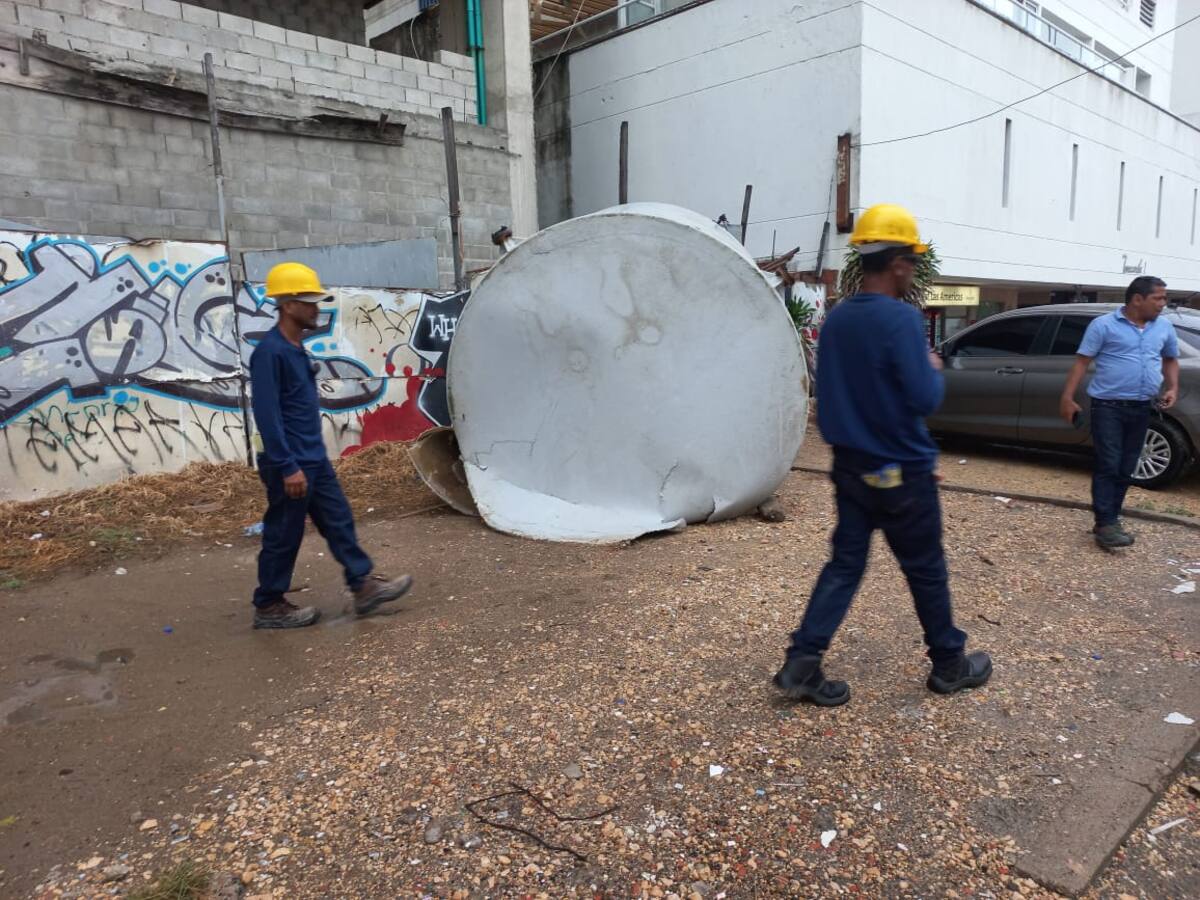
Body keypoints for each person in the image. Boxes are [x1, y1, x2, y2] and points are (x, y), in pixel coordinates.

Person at [773, 204, 991, 707]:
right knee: (926, 568)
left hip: (850, 466)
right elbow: (923, 399)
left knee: (845, 565)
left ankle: (803, 661)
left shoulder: (838, 320)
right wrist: (933, 367)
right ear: (896, 265)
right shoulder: (901, 321)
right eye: (911, 262)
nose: (912, 270)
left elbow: (826, 399)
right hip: (902, 474)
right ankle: (949, 664)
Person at [249, 262, 413, 629]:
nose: (316, 308)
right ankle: (269, 605)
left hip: (313, 459)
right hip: (290, 463)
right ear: (288, 305)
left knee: (338, 520)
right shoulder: (270, 353)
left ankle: (363, 586)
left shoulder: (295, 349)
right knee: (284, 534)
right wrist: (287, 465)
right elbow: (267, 415)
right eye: (308, 301)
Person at [1059, 276, 1179, 550]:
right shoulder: (1103, 325)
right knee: (1109, 464)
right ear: (1138, 299)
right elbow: (1081, 362)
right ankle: (1106, 522)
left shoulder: (1163, 327)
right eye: (1158, 298)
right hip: (1108, 406)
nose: (1163, 304)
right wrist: (1067, 397)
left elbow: (1170, 359)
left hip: (1142, 406)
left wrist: (1172, 386)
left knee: (1127, 468)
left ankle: (1108, 519)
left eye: (1164, 298)